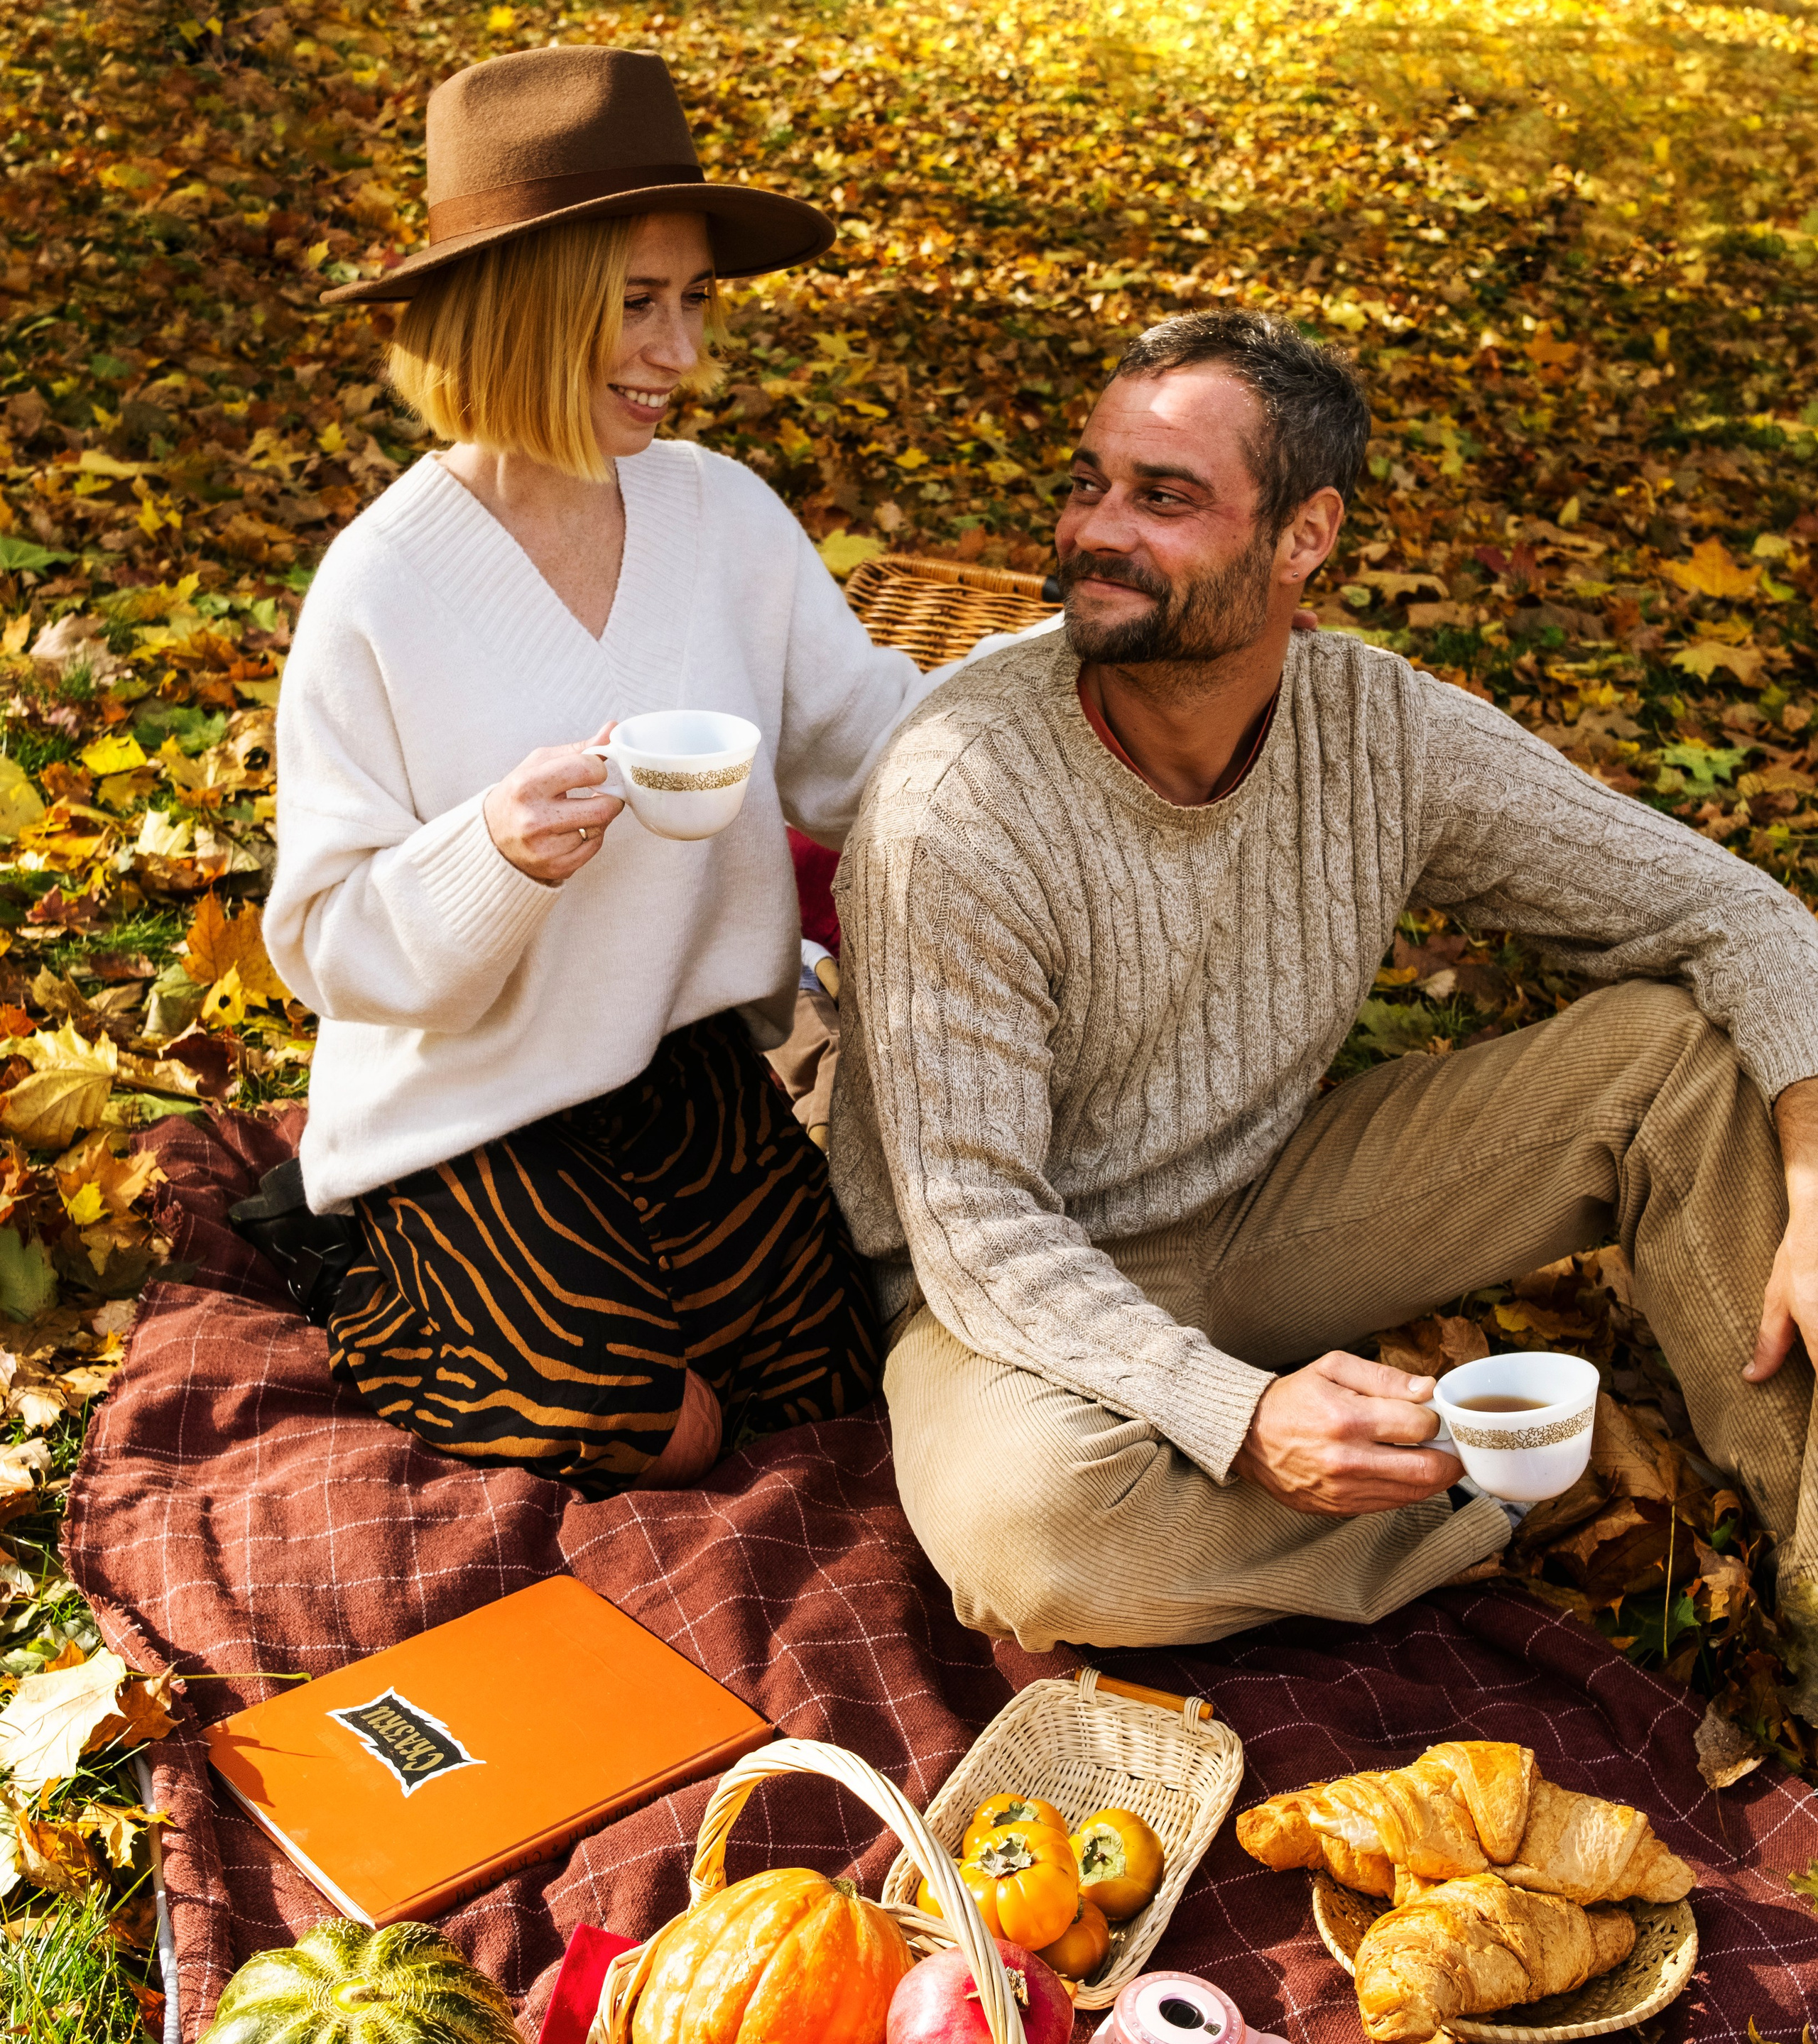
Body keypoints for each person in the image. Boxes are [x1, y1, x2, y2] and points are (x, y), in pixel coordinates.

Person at [832, 307, 1818, 1658]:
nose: (1094, 531)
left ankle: (1817, 1568)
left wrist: (1816, 1180)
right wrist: (1239, 1420)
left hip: (1272, 1207)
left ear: (1306, 537)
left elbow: (1739, 914)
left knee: (1683, 1062)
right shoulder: (961, 793)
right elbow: (976, 1226)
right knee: (1034, 1528)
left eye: (1164, 497)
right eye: (1088, 483)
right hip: (1003, 1295)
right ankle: (1479, 1498)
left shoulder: (1378, 729)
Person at [264, 45, 980, 1494]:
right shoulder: (382, 586)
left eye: (695, 299)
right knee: (622, 1406)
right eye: (637, 305)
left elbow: (871, 748)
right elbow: (322, 942)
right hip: (461, 1101)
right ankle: (359, 1268)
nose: (682, 353)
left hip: (683, 1069)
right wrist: (493, 854)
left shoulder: (720, 517)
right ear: (524, 305)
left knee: (817, 1381)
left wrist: (1051, 687)